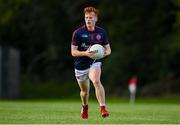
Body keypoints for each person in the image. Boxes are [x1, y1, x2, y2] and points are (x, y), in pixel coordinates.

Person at [71, 6, 111, 119]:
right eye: (86, 17)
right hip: (80, 65)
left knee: (96, 81)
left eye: (91, 17)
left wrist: (103, 54)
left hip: (94, 62)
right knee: (84, 92)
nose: (88, 19)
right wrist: (85, 53)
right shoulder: (78, 33)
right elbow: (73, 52)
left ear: (96, 19)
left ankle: (103, 108)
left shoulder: (102, 32)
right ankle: (85, 106)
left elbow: (108, 50)